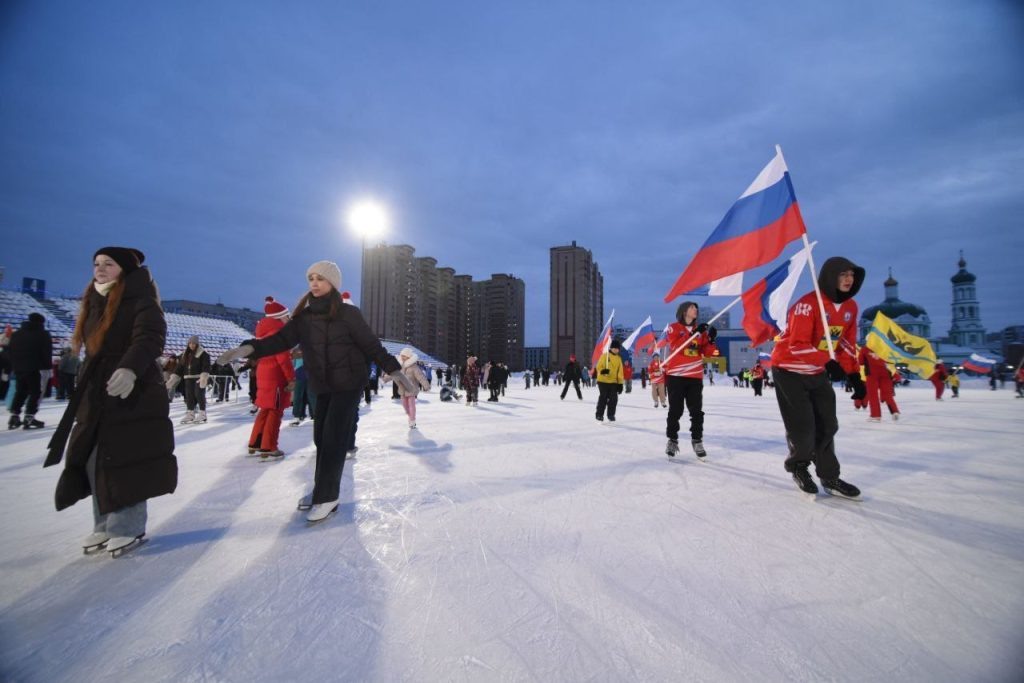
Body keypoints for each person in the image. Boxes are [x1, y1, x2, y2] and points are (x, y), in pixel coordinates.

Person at [217, 261, 412, 524]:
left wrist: (397, 372)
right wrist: (250, 348)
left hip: (348, 384)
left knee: (333, 439)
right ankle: (321, 489)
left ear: (333, 283)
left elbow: (371, 346)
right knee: (321, 438)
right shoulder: (304, 319)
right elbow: (280, 341)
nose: (314, 283)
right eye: (311, 278)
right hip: (322, 384)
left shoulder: (348, 314)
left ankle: (327, 497)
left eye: (320, 278)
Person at [44, 247, 176, 557]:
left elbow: (150, 337)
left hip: (133, 390)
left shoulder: (143, 300)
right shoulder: (94, 301)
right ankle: (103, 522)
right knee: (93, 457)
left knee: (124, 456)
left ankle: (127, 526)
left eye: (108, 264)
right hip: (95, 389)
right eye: (96, 264)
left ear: (124, 269)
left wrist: (129, 367)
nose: (100, 269)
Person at [770, 256, 865, 499]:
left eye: (851, 275)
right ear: (830, 277)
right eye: (843, 275)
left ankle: (829, 476)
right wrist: (828, 363)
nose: (848, 279)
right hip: (788, 370)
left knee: (828, 424)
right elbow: (797, 344)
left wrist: (854, 375)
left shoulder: (850, 308)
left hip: (817, 370)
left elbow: (845, 344)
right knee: (803, 428)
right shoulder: (808, 304)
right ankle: (799, 467)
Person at [662, 301, 718, 459]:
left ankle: (697, 440)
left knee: (696, 411)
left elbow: (707, 353)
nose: (696, 310)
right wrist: (694, 334)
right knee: (676, 410)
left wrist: (711, 341)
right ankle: (672, 440)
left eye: (696, 308)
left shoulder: (700, 331)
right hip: (676, 376)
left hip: (694, 376)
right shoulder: (674, 327)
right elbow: (676, 346)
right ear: (684, 311)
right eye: (692, 308)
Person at [247, 297, 295, 459]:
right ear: (280, 317)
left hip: (264, 374)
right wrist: (291, 379)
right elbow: (283, 360)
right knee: (275, 412)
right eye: (286, 316)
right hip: (276, 377)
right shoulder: (278, 336)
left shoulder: (263, 334)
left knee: (265, 409)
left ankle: (255, 442)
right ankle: (269, 446)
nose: (288, 320)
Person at [7, 312, 53, 430]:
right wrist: (47, 367)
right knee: (35, 392)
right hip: (34, 368)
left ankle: (14, 416)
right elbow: (46, 352)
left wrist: (14, 365)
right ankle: (29, 416)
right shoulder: (43, 334)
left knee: (20, 391)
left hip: (18, 368)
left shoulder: (16, 334)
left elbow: (10, 351)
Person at [167, 336, 210, 423]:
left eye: (193, 343)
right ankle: (190, 414)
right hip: (188, 378)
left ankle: (202, 414)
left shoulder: (203, 354)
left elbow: (206, 366)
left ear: (197, 344)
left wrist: (203, 377)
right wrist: (173, 378)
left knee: (199, 395)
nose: (192, 345)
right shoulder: (185, 355)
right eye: (190, 343)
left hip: (199, 378)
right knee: (189, 396)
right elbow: (179, 368)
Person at [857, 345, 900, 421]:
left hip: (871, 374)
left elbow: (861, 362)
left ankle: (875, 415)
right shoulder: (885, 346)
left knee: (873, 395)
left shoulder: (865, 349)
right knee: (887, 394)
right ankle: (894, 411)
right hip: (886, 373)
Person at [392, 347, 430, 428]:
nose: (402, 357)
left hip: (411, 389)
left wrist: (426, 385)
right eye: (401, 355)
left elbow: (420, 376)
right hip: (402, 390)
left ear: (409, 357)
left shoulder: (414, 367)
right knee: (405, 406)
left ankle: (412, 420)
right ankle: (411, 417)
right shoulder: (400, 366)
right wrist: (384, 379)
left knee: (411, 405)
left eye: (404, 356)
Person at [594, 339, 624, 422]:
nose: (616, 349)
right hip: (603, 380)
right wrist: (603, 371)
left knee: (613, 399)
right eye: (614, 348)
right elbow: (598, 366)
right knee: (603, 397)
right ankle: (599, 415)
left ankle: (611, 414)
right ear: (610, 348)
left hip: (613, 382)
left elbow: (620, 372)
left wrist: (620, 384)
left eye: (617, 348)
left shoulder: (618, 359)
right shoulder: (605, 356)